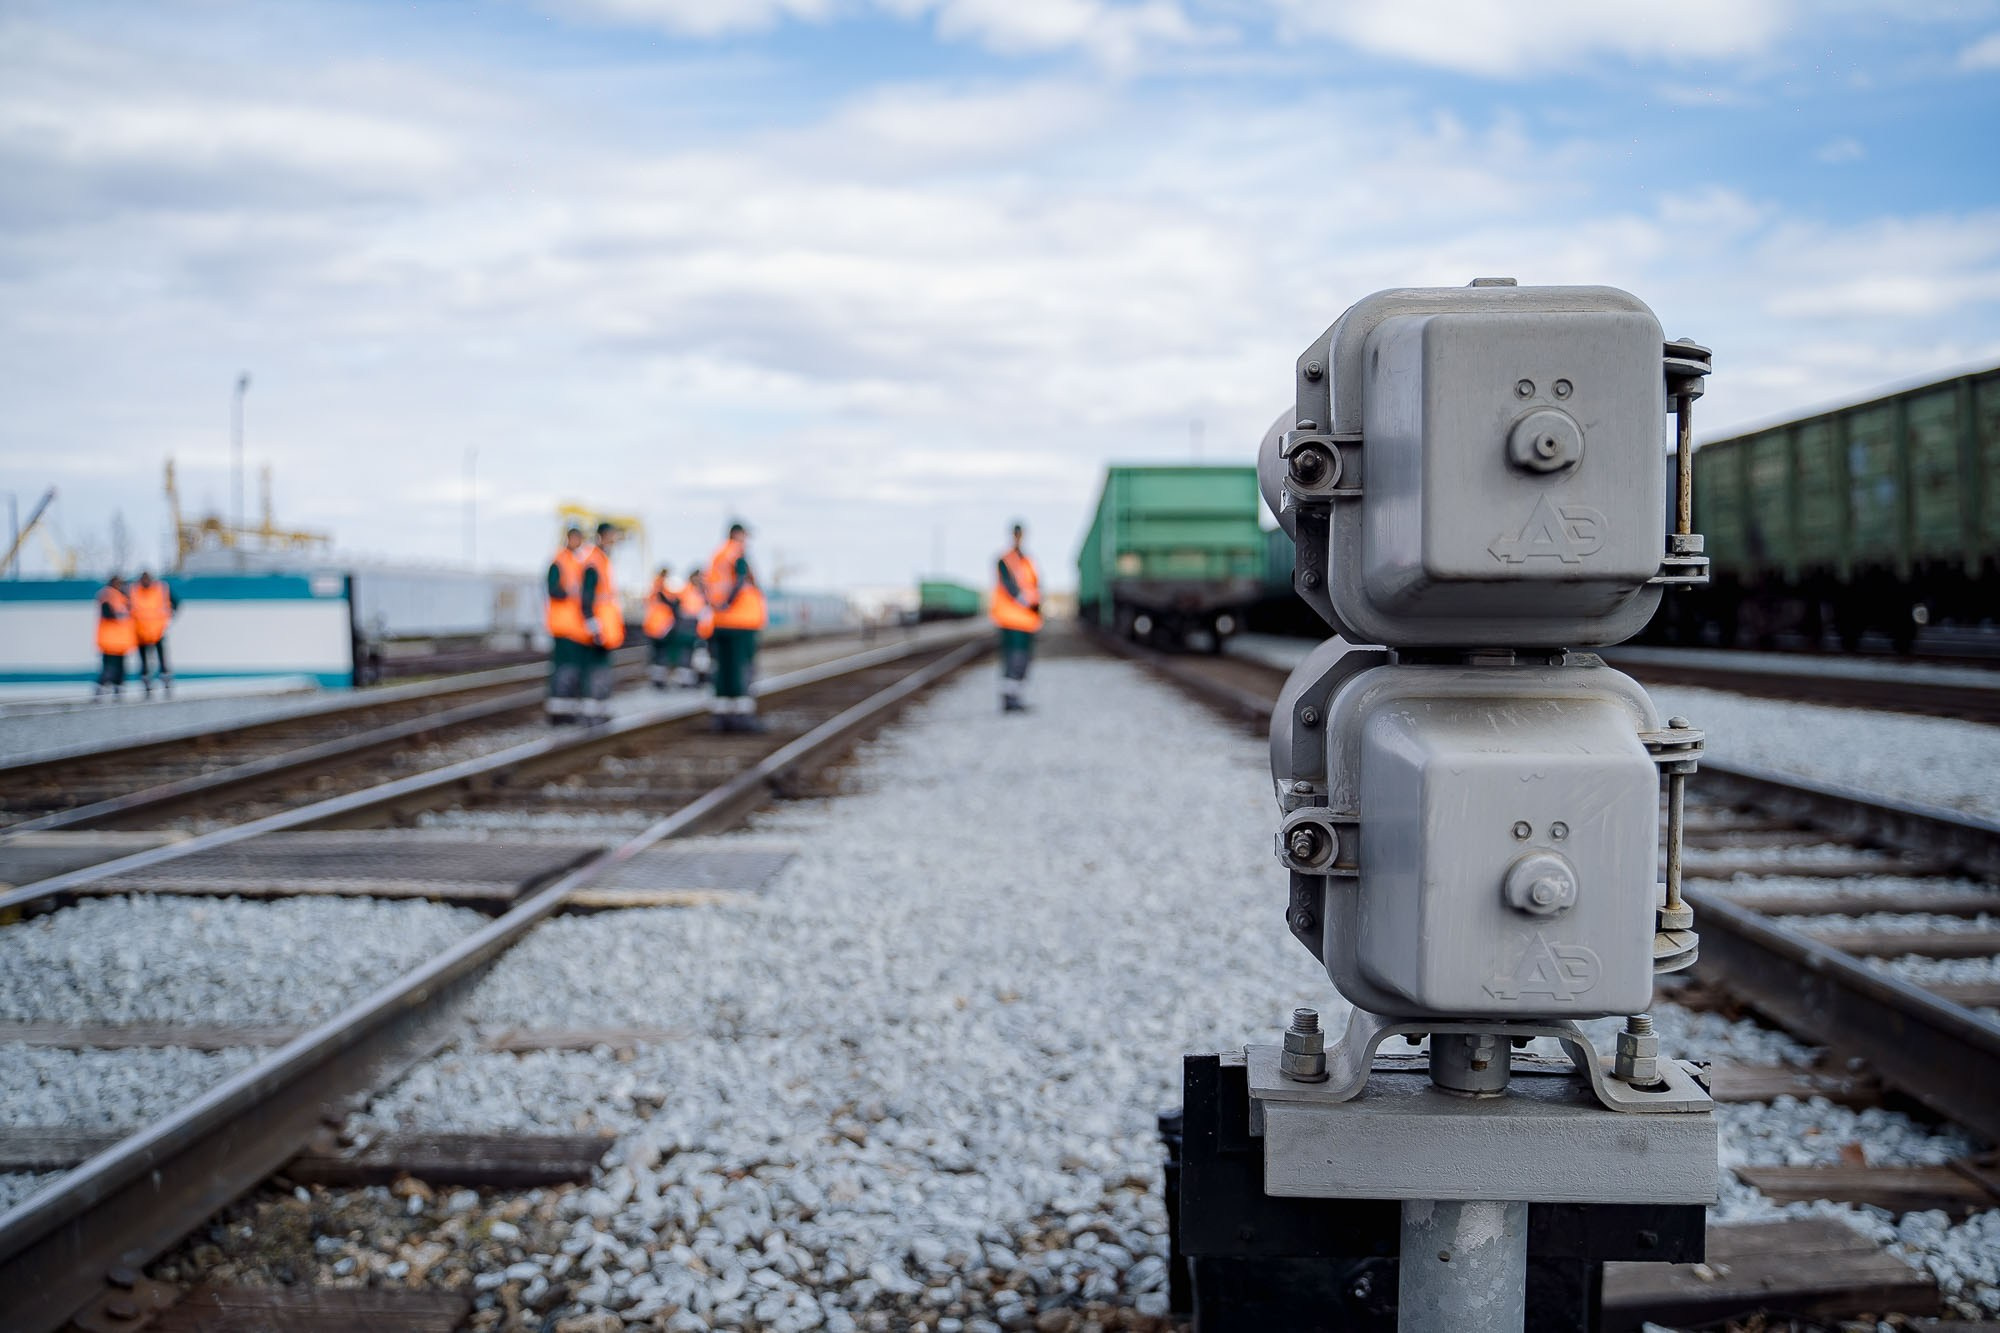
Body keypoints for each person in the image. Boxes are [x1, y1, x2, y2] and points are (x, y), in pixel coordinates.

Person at [704, 522, 766, 731]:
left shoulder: (717, 556)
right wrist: (729, 602)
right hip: (741, 622)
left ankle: (722, 716)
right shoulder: (736, 554)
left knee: (723, 669)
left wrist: (720, 606)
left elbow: (710, 587)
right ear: (737, 535)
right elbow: (740, 580)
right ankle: (742, 716)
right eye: (745, 536)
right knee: (742, 668)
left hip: (720, 622)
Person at [576, 522, 626, 721]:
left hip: (605, 626)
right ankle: (591, 713)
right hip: (598, 627)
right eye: (612, 535)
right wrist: (592, 623)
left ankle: (600, 710)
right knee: (595, 669)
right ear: (603, 536)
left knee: (602, 669)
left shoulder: (603, 560)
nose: (615, 539)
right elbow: (587, 596)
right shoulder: (594, 561)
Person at [991, 521, 1042, 713]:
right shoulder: (1005, 560)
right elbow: (1011, 588)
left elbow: (1035, 588)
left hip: (1027, 622)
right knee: (1013, 660)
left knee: (1023, 662)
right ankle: (1009, 700)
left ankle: (1016, 697)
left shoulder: (1028, 561)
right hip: (1011, 620)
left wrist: (1037, 611)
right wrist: (1027, 602)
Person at [544, 527, 590, 723]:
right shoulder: (559, 561)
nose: (578, 542)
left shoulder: (576, 562)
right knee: (564, 669)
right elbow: (553, 589)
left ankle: (568, 711)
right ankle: (558, 714)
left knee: (573, 670)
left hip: (575, 628)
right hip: (562, 627)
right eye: (575, 538)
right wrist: (571, 593)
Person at [129, 570, 178, 698]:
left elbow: (175, 602)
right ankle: (147, 684)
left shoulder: (161, 589)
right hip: (140, 632)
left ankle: (166, 682)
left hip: (157, 631)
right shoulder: (133, 590)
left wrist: (169, 616)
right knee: (144, 661)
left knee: (162, 659)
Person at [93, 573, 136, 702]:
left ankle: (117, 689)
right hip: (110, 640)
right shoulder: (108, 595)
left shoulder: (122, 597)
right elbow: (109, 613)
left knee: (120, 669)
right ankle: (101, 689)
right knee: (109, 668)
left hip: (121, 641)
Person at [642, 565, 681, 691]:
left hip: (654, 627)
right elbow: (670, 603)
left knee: (656, 655)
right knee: (661, 655)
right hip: (661, 628)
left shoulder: (654, 589)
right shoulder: (661, 589)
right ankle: (659, 681)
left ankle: (657, 680)